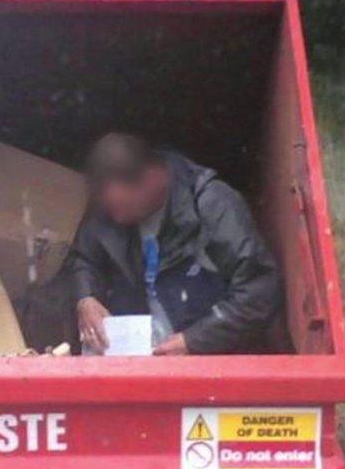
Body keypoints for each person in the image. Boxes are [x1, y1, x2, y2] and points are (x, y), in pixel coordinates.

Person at [67, 132, 281, 355]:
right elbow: (84, 256)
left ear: (152, 179)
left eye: (121, 206)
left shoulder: (213, 205)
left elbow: (259, 291)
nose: (115, 217)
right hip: (136, 355)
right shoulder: (111, 206)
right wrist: (86, 298)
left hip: (209, 357)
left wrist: (194, 341)